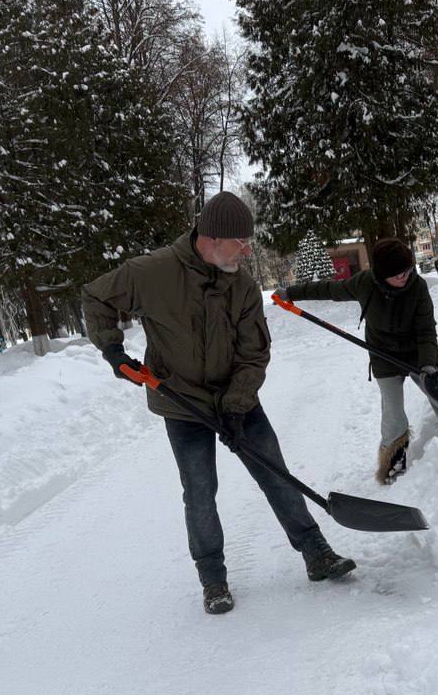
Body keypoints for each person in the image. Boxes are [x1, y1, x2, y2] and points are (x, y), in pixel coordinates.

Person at [81, 191, 355, 616]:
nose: (248, 251)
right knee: (200, 492)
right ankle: (213, 580)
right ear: (211, 238)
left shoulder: (242, 286)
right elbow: (97, 297)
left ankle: (316, 552)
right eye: (241, 242)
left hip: (236, 397)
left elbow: (254, 353)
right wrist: (113, 352)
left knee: (276, 475)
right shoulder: (151, 273)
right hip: (181, 400)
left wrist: (236, 402)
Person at [282, 238, 438, 484]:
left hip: (418, 351)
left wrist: (428, 366)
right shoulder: (364, 283)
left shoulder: (417, 287)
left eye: (408, 270)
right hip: (384, 356)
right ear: (382, 273)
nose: (405, 277)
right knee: (393, 410)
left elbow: (426, 330)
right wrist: (291, 293)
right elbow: (328, 289)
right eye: (398, 274)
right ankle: (393, 458)